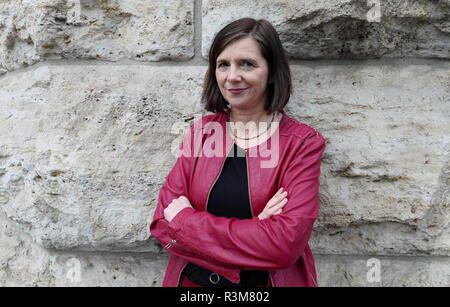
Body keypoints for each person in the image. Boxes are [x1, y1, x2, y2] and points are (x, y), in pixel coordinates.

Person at [150, 17, 326, 287]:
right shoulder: (203, 133)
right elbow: (162, 224)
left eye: (247, 64)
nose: (232, 76)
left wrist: (186, 223)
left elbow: (284, 245)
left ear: (271, 72)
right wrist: (256, 231)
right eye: (223, 65)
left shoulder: (301, 143)